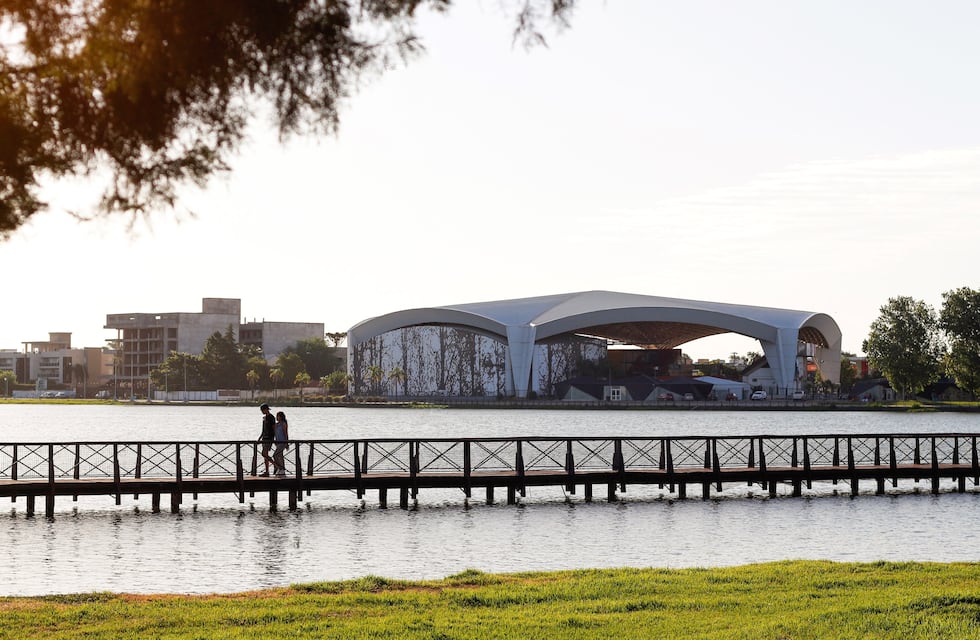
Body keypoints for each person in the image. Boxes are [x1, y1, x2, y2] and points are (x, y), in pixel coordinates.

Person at [257, 403, 275, 476]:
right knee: (265, 454)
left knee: (264, 453)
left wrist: (275, 439)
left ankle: (276, 465)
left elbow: (274, 428)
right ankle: (267, 471)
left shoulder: (271, 417)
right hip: (264, 438)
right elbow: (263, 429)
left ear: (266, 409)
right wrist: (259, 438)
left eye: (262, 410)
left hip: (269, 438)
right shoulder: (264, 418)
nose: (262, 411)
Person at [272, 410, 289, 477]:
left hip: (283, 442)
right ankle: (281, 469)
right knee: (280, 456)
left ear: (281, 417)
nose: (277, 417)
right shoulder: (276, 424)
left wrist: (287, 442)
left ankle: (280, 467)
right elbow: (275, 433)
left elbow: (285, 433)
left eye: (278, 416)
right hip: (278, 442)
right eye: (277, 416)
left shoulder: (283, 424)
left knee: (275, 455)